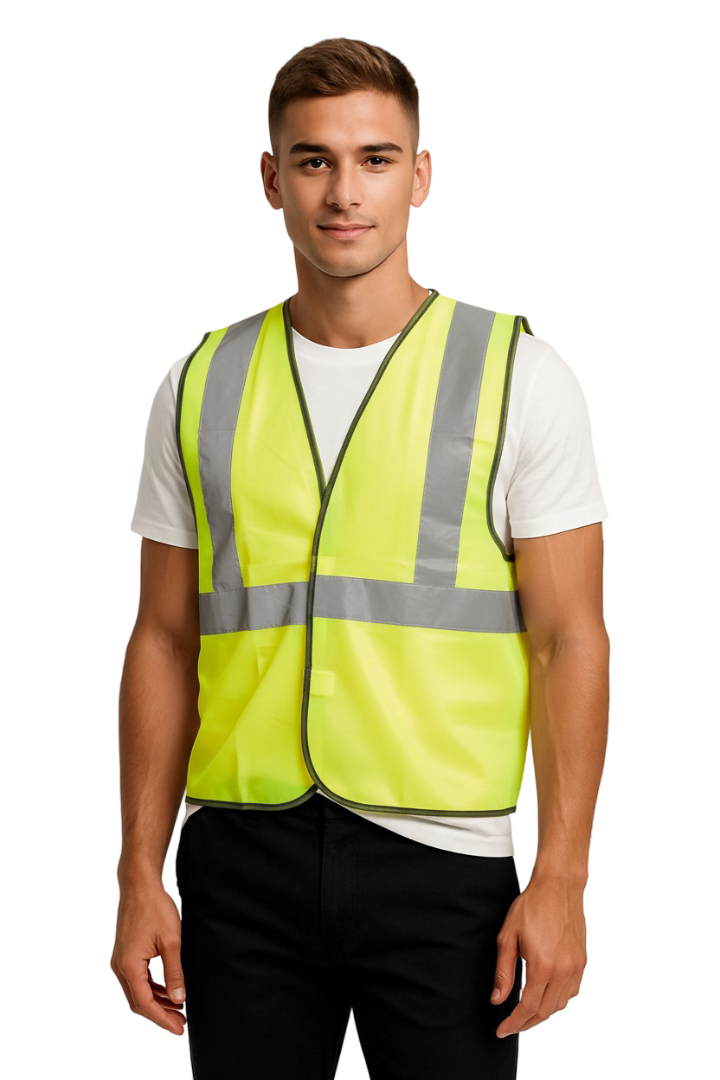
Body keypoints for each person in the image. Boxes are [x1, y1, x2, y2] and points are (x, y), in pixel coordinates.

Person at [110, 35, 611, 1080]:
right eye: (314, 160)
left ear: (420, 176)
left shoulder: (518, 374)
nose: (345, 192)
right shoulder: (201, 382)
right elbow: (162, 639)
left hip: (447, 871)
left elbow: (570, 640)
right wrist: (137, 875)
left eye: (376, 159)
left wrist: (562, 878)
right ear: (271, 179)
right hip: (240, 862)